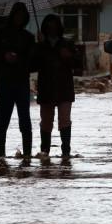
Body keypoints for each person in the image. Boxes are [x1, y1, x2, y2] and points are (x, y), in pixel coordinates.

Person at [0, 2, 37, 158]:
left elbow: (33, 63)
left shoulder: (29, 37)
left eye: (22, 15)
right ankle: (0, 153)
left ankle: (27, 154)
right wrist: (3, 57)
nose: (19, 18)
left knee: (24, 118)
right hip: (4, 81)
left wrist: (36, 47)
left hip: (21, 81)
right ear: (12, 15)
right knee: (3, 118)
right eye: (17, 15)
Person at [32, 14, 79, 157]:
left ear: (59, 27)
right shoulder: (40, 45)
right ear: (45, 28)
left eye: (54, 26)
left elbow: (78, 63)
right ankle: (45, 151)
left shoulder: (67, 43)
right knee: (46, 121)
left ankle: (66, 152)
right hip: (46, 87)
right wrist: (39, 46)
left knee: (64, 120)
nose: (52, 29)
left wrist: (69, 56)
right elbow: (33, 64)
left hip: (64, 87)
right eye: (49, 26)